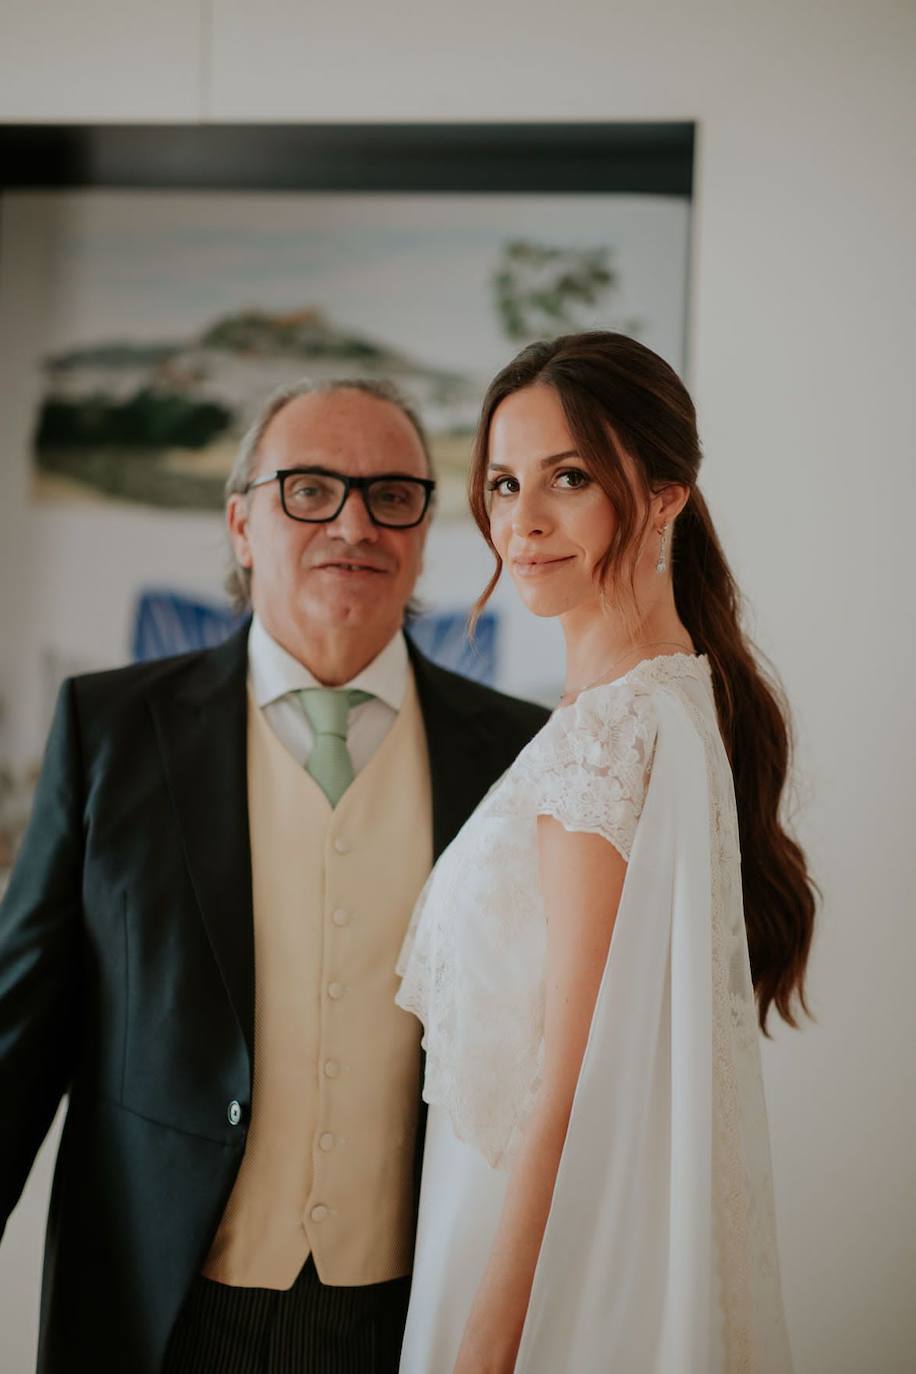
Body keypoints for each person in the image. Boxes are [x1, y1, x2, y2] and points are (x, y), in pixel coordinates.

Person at [0, 377, 548, 1374]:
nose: (354, 522)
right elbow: (17, 1036)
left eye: (391, 494)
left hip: (411, 1318)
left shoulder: (520, 756)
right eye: (308, 489)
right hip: (156, 1309)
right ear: (241, 524)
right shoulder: (110, 731)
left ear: (424, 530)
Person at [396, 332, 817, 1373]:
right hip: (542, 1218)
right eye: (501, 483)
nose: (520, 523)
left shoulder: (610, 734)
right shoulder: (671, 697)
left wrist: (491, 1336)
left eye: (568, 479)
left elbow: (568, 1083)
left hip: (524, 1247)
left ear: (666, 491)